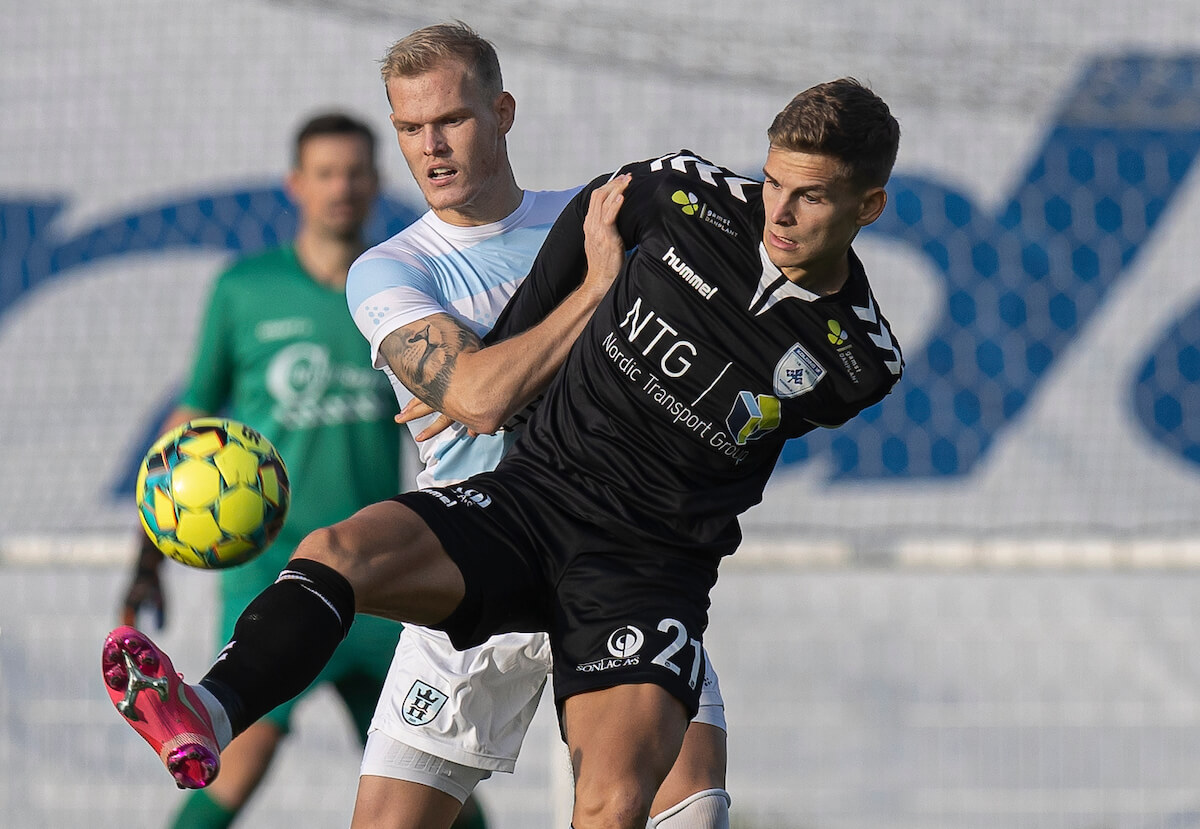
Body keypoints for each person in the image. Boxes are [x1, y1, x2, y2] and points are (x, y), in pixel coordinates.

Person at [103, 67, 903, 829]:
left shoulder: (859, 365)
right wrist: (506, 360)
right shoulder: (680, 194)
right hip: (530, 501)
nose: (781, 212)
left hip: (645, 567)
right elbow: (561, 272)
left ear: (868, 205)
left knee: (621, 807)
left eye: (811, 196)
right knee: (339, 548)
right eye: (773, 182)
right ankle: (207, 708)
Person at [342, 23, 730, 829]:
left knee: (690, 814)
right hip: (477, 556)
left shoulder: (596, 221)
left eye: (450, 119)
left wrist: (494, 369)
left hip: (618, 560)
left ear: (503, 111)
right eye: (409, 129)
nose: (431, 147)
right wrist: (516, 360)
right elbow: (481, 398)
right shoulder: (393, 267)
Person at [115, 112, 483, 829]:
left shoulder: (398, 289)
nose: (342, 187)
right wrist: (146, 559)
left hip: (382, 570)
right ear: (296, 185)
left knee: (439, 784)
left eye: (354, 172)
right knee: (232, 759)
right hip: (273, 571)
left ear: (376, 181)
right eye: (326, 173)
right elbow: (186, 426)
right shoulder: (245, 290)